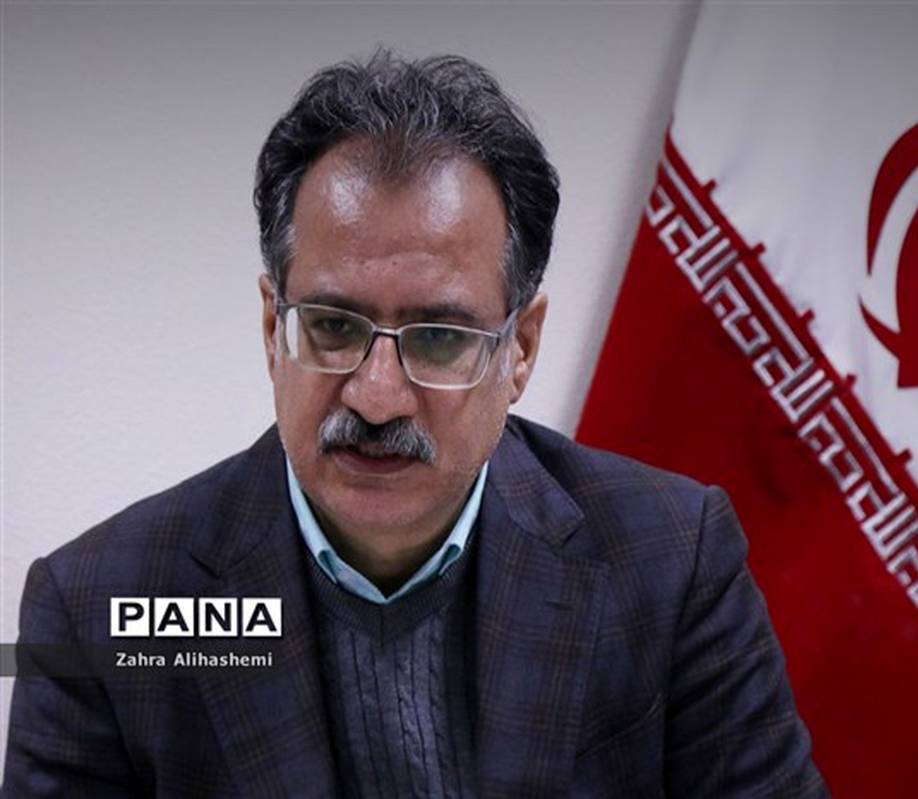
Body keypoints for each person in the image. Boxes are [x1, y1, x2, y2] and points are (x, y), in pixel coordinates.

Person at [3, 50, 827, 797]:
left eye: (438, 337)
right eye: (333, 326)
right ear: (272, 328)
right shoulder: (105, 608)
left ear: (521, 349)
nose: (377, 397)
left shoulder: (671, 563)